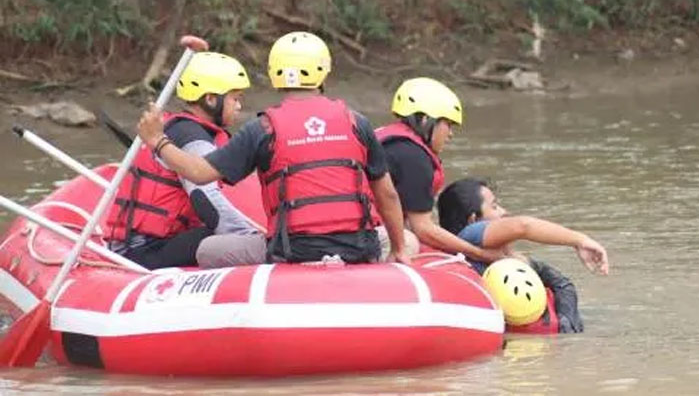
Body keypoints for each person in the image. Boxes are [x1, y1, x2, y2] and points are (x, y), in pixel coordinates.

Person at [136, 31, 410, 265]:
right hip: (359, 247)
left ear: (274, 74)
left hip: (291, 250)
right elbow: (388, 195)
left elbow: (199, 172)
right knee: (409, 239)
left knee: (207, 249)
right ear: (324, 71)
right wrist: (399, 249)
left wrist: (157, 141)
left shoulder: (262, 128)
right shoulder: (357, 122)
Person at [103, 51, 254, 269]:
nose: (239, 106)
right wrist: (251, 238)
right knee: (225, 238)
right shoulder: (192, 139)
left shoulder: (178, 128)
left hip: (143, 244)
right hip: (143, 251)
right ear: (210, 99)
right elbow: (206, 198)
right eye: (235, 99)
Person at [437, 177, 610, 333]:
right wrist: (579, 240)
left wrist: (566, 327)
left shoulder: (501, 255)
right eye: (494, 206)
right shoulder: (468, 234)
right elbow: (523, 226)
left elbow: (561, 283)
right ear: (473, 220)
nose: (504, 212)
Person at [376, 77, 501, 263]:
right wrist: (479, 254)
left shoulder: (386, 138)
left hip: (350, 229)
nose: (450, 134)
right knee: (408, 242)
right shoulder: (413, 157)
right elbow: (423, 229)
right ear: (426, 120)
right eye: (448, 125)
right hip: (360, 233)